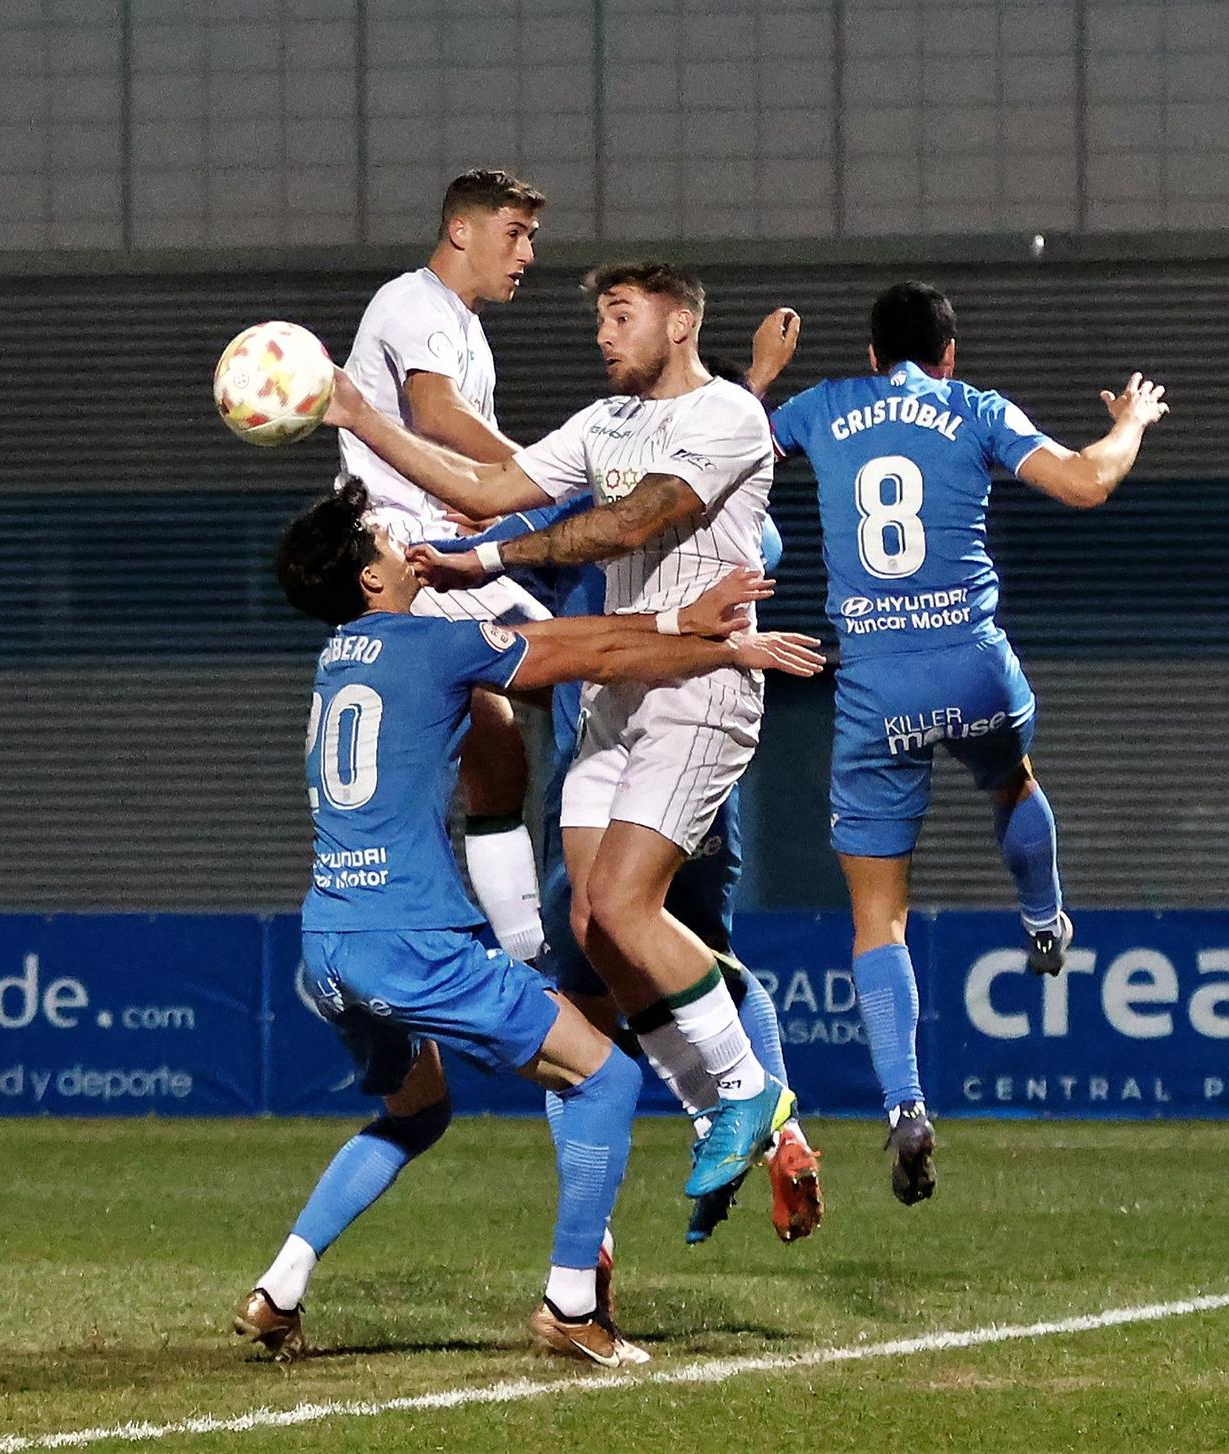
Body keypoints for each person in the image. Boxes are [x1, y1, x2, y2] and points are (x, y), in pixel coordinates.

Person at [232, 479, 824, 1368]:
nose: (403, 541)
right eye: (384, 539)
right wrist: (690, 628)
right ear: (368, 578)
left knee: (416, 1111)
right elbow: (577, 651)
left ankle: (279, 1287)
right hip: (412, 945)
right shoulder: (428, 646)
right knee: (605, 1079)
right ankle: (571, 1305)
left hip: (326, 949)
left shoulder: (338, 661)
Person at [320, 262, 800, 1204]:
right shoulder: (605, 421)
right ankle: (726, 1111)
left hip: (697, 684)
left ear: (680, 325)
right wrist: (363, 423)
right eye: (602, 319)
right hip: (614, 697)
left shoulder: (727, 418)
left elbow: (630, 524)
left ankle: (749, 1097)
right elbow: (492, 482)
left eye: (621, 316)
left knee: (625, 908)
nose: (603, 334)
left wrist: (484, 559)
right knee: (588, 925)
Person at [767, 281, 1169, 1204]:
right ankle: (1044, 922)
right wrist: (1132, 422)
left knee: (879, 917)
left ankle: (905, 1106)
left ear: (871, 356)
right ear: (947, 355)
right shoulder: (971, 407)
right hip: (972, 669)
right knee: (1010, 779)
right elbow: (1087, 483)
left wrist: (759, 376)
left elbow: (726, 449)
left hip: (875, 687)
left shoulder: (823, 407)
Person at [338, 167, 550, 968]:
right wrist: (553, 476)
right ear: (461, 230)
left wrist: (503, 502)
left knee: (500, 756)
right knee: (576, 673)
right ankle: (553, 934)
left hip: (451, 556)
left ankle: (528, 946)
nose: (528, 252)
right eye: (515, 232)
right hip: (405, 562)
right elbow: (435, 412)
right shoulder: (411, 303)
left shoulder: (465, 325)